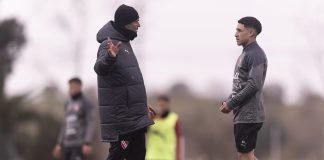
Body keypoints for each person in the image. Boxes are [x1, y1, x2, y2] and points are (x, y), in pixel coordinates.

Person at [94, 4, 155, 160]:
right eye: (136, 21)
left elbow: (129, 82)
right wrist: (110, 57)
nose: (139, 24)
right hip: (122, 120)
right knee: (118, 156)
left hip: (135, 119)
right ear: (125, 22)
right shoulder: (108, 45)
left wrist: (142, 108)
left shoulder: (125, 44)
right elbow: (100, 68)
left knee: (139, 155)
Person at [219, 17, 268, 160]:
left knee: (244, 156)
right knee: (247, 156)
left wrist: (231, 103)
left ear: (251, 33)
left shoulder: (255, 54)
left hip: (249, 116)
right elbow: (239, 86)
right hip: (242, 115)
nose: (236, 34)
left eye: (239, 30)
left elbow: (254, 84)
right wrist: (228, 101)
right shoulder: (245, 54)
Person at [52, 77, 95, 160]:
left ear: (79, 86)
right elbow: (65, 124)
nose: (70, 89)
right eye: (69, 87)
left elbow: (90, 123)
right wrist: (59, 143)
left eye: (72, 86)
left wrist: (87, 142)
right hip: (67, 144)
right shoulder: (68, 103)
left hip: (79, 144)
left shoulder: (86, 102)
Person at [146, 95, 184, 160]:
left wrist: (179, 157)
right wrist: (148, 118)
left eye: (163, 105)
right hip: (151, 156)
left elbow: (180, 139)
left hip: (168, 156)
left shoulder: (174, 118)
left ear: (167, 105)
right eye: (159, 105)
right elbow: (144, 131)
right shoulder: (152, 118)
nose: (161, 107)